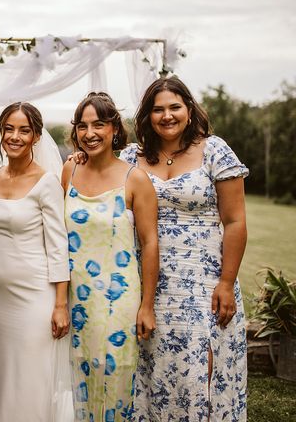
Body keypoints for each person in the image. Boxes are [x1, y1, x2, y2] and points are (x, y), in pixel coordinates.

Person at [120, 76, 248, 421]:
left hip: (202, 280)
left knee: (199, 370)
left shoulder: (215, 151)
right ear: (147, 116)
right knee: (153, 370)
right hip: (147, 280)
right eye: (157, 109)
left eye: (174, 107)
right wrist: (79, 158)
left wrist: (225, 283)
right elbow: (99, 174)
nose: (167, 115)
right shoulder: (131, 156)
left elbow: (235, 221)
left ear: (189, 111)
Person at [62, 92, 159, 422]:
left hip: (118, 298)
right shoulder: (69, 172)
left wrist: (147, 305)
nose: (90, 133)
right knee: (75, 376)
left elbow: (149, 243)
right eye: (83, 126)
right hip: (74, 295)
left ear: (115, 129)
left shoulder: (136, 178)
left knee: (114, 374)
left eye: (99, 125)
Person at [0, 102, 72, 421]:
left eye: (24, 130)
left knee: (32, 375)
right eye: (9, 129)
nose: (15, 136)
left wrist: (60, 304)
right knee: (4, 371)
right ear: (1, 132)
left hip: (36, 296)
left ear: (36, 136)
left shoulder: (46, 182)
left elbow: (59, 246)